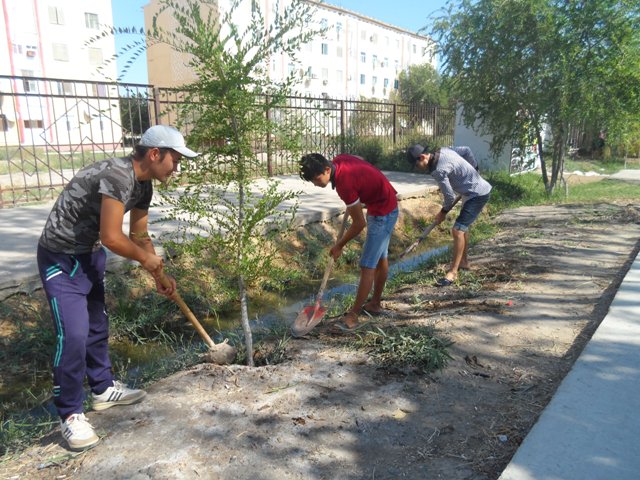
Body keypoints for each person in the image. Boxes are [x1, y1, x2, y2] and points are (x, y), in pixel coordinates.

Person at [37, 125, 198, 451]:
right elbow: (113, 236)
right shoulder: (118, 175)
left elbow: (139, 236)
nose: (176, 167)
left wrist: (159, 275)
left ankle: (103, 388)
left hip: (89, 255)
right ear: (155, 154)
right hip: (60, 258)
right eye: (175, 160)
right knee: (74, 334)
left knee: (97, 325)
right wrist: (145, 260)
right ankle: (69, 413)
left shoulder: (144, 187)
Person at [299, 153, 398, 331]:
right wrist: (359, 193)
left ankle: (353, 315)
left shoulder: (345, 185)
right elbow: (359, 159)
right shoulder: (339, 160)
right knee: (380, 258)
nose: (315, 184)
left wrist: (339, 245)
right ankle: (375, 303)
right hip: (384, 202)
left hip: (384, 211)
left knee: (367, 265)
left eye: (316, 179)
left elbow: (360, 224)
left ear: (327, 169)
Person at [406, 144, 491, 287]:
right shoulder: (444, 150)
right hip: (471, 192)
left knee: (457, 230)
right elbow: (467, 150)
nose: (417, 168)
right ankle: (464, 262)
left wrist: (442, 213)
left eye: (416, 164)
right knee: (463, 228)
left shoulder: (438, 170)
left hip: (477, 194)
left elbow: (450, 197)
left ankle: (453, 273)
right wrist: (475, 169)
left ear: (422, 157)